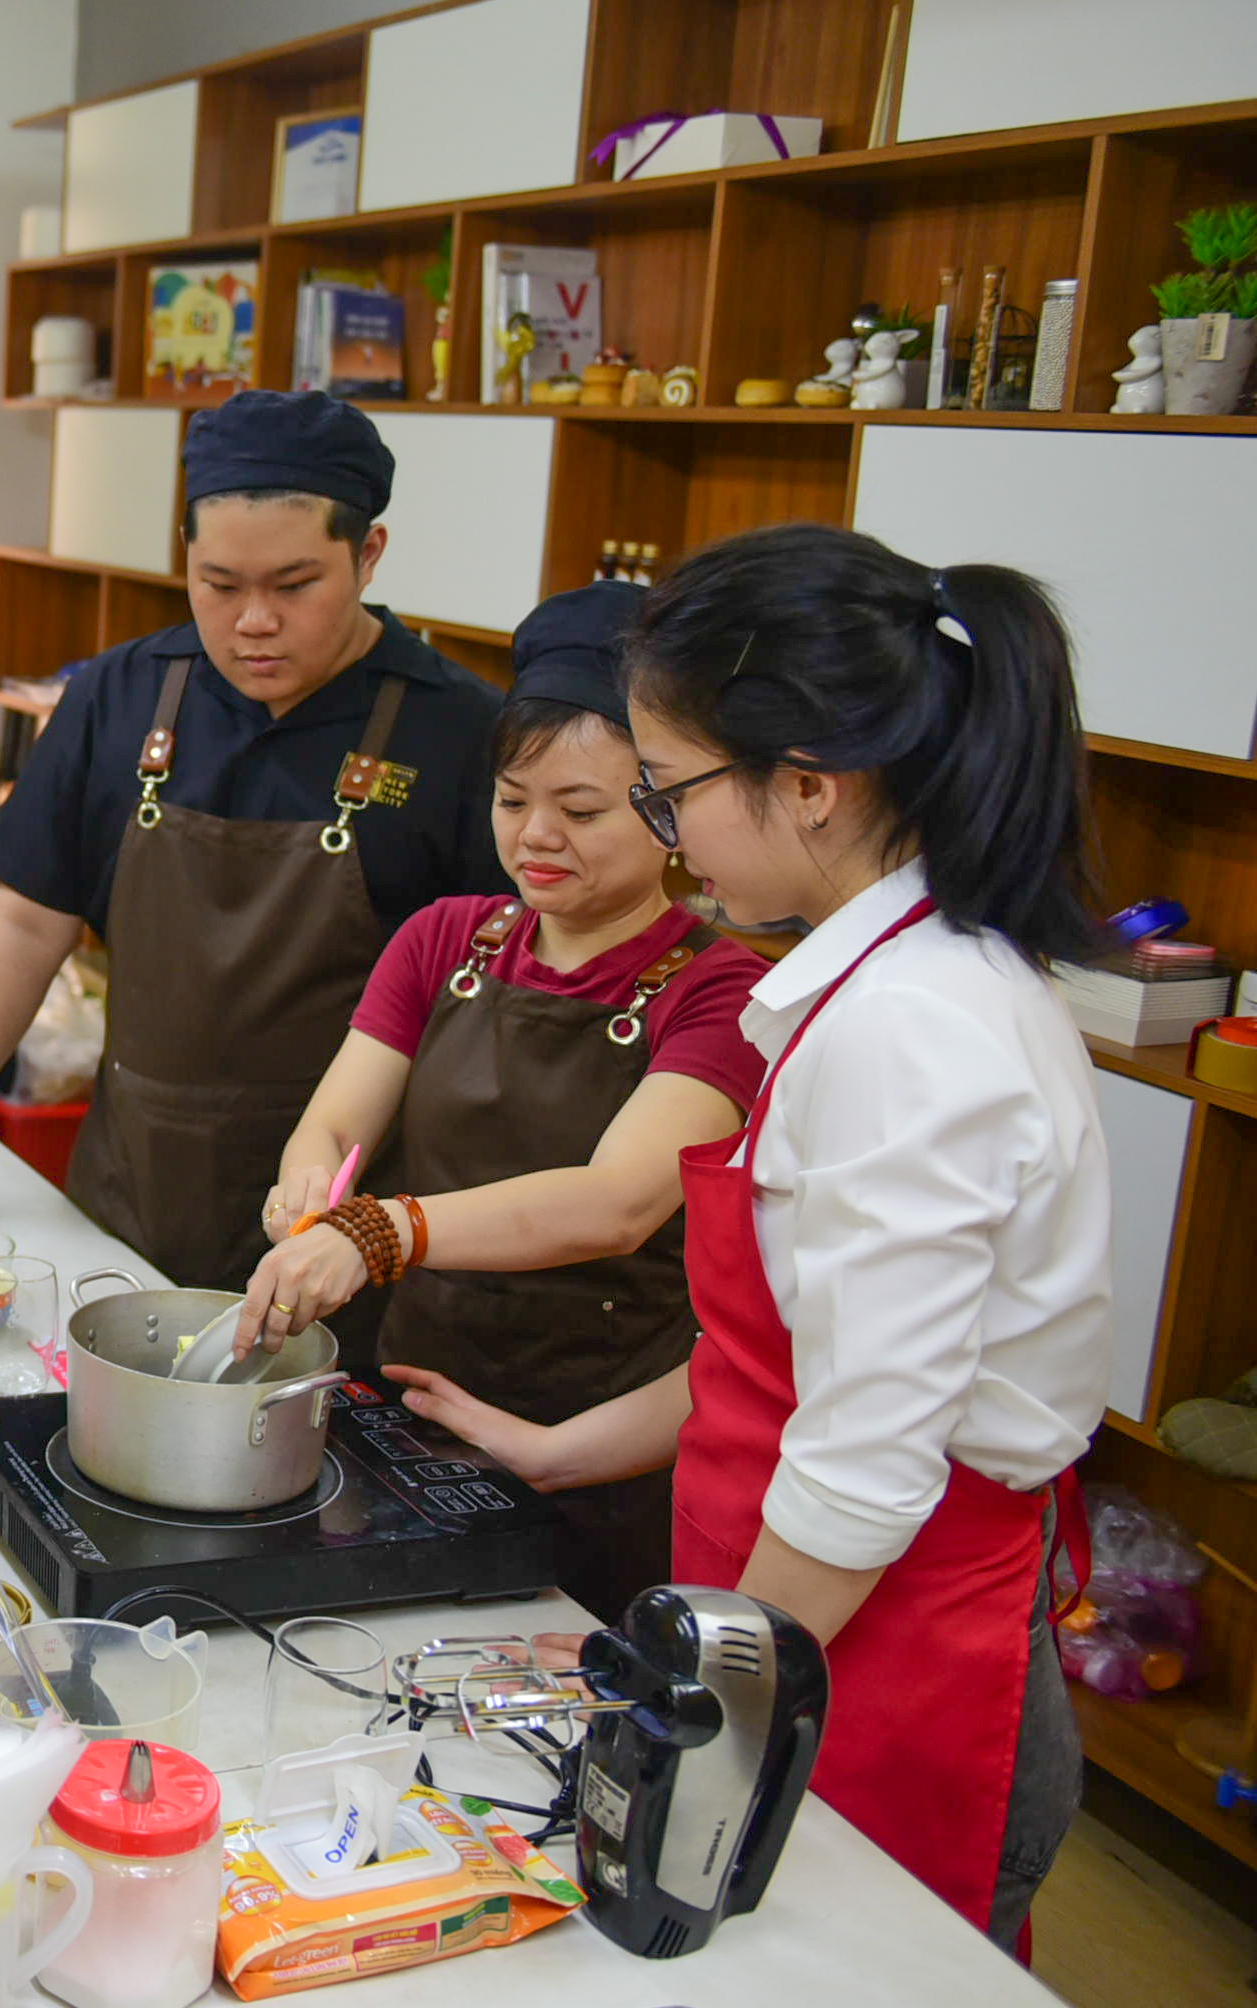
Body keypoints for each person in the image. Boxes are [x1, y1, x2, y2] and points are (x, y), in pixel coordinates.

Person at [386, 524, 1108, 1950]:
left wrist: (689, 1717)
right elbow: (784, 1358)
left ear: (812, 789)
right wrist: (558, 1450)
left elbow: (862, 1470)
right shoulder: (868, 987)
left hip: (887, 1658)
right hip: (804, 1619)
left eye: (667, 793)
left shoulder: (915, 1035)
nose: (663, 832)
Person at [0, 390, 508, 1287]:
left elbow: (491, 1008)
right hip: (133, 1183)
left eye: (294, 586)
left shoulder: (462, 731)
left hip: (350, 1215)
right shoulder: (121, 696)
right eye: (220, 584)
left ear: (368, 554)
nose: (253, 621)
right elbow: (24, 927)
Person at [231, 582, 766, 1624]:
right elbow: (336, 1120)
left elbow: (615, 1200)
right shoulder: (445, 938)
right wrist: (309, 1185)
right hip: (416, 1402)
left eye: (579, 811)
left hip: (602, 1437)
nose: (534, 837)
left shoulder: (720, 992)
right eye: (511, 799)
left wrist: (381, 1228)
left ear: (665, 810)